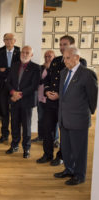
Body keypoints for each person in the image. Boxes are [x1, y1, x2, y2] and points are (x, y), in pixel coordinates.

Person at [53, 45, 97, 185]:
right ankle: (69, 169)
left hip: (79, 120)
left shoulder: (87, 74)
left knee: (79, 150)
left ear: (77, 57)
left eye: (67, 58)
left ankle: (79, 175)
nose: (64, 61)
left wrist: (86, 113)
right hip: (64, 119)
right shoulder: (64, 73)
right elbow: (63, 96)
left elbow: (93, 98)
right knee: (66, 148)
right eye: (64, 58)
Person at [42, 35, 87, 166]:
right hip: (51, 102)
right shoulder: (55, 60)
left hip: (66, 105)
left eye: (65, 44)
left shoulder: (80, 62)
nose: (61, 47)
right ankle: (47, 154)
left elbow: (75, 86)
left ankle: (61, 156)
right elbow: (48, 80)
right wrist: (47, 91)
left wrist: (60, 95)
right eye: (60, 44)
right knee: (47, 128)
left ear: (72, 45)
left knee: (65, 133)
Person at [5, 46, 40, 158]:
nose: (24, 54)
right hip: (14, 100)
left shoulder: (36, 67)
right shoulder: (14, 65)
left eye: (27, 52)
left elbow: (34, 86)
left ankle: (26, 148)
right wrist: (12, 92)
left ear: (31, 55)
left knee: (26, 126)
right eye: (23, 52)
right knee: (14, 124)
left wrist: (19, 94)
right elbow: (8, 82)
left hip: (26, 100)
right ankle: (14, 145)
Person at [0, 33, 21, 144]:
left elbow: (19, 71)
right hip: (3, 87)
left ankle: (15, 137)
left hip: (15, 87)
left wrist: (6, 70)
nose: (8, 41)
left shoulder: (19, 53)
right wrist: (10, 71)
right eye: (6, 39)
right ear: (4, 41)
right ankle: (4, 135)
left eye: (10, 39)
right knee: (4, 112)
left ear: (14, 41)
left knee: (14, 112)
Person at [32, 50, 55, 143]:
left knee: (53, 121)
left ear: (54, 57)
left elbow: (51, 81)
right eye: (46, 56)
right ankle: (40, 136)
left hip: (51, 98)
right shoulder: (40, 67)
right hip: (40, 97)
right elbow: (38, 81)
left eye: (49, 56)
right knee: (40, 118)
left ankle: (54, 140)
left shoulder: (56, 69)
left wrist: (49, 69)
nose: (47, 58)